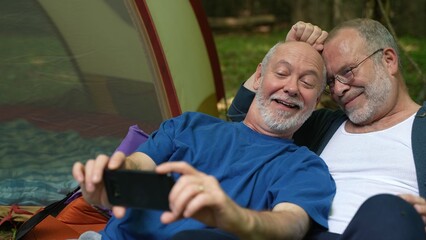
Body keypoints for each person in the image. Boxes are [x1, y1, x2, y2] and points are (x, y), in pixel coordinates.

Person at [72, 41, 336, 240]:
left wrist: (236, 218)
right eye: (281, 73)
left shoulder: (305, 166)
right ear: (258, 77)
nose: (291, 87)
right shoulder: (189, 126)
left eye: (307, 82)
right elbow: (138, 164)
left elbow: (291, 223)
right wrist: (111, 178)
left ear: (316, 101)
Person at [228, 19, 426, 239]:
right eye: (331, 82)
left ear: (388, 60)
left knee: (390, 211)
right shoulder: (324, 125)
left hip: (386, 228)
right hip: (300, 231)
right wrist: (292, 53)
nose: (339, 89)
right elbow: (244, 118)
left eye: (348, 71)